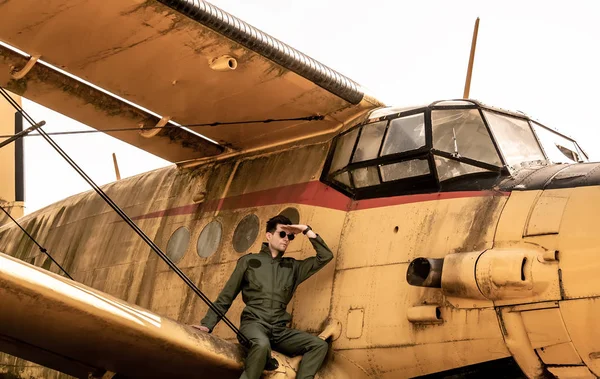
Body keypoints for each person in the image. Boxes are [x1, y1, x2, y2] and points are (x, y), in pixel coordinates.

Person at [192, 215, 334, 379]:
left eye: (290, 236)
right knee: (261, 345)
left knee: (318, 346)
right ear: (269, 236)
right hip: (254, 325)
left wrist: (306, 230)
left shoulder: (293, 267)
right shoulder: (249, 262)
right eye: (282, 234)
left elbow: (325, 256)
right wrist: (207, 325)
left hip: (279, 331)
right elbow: (226, 296)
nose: (286, 239)